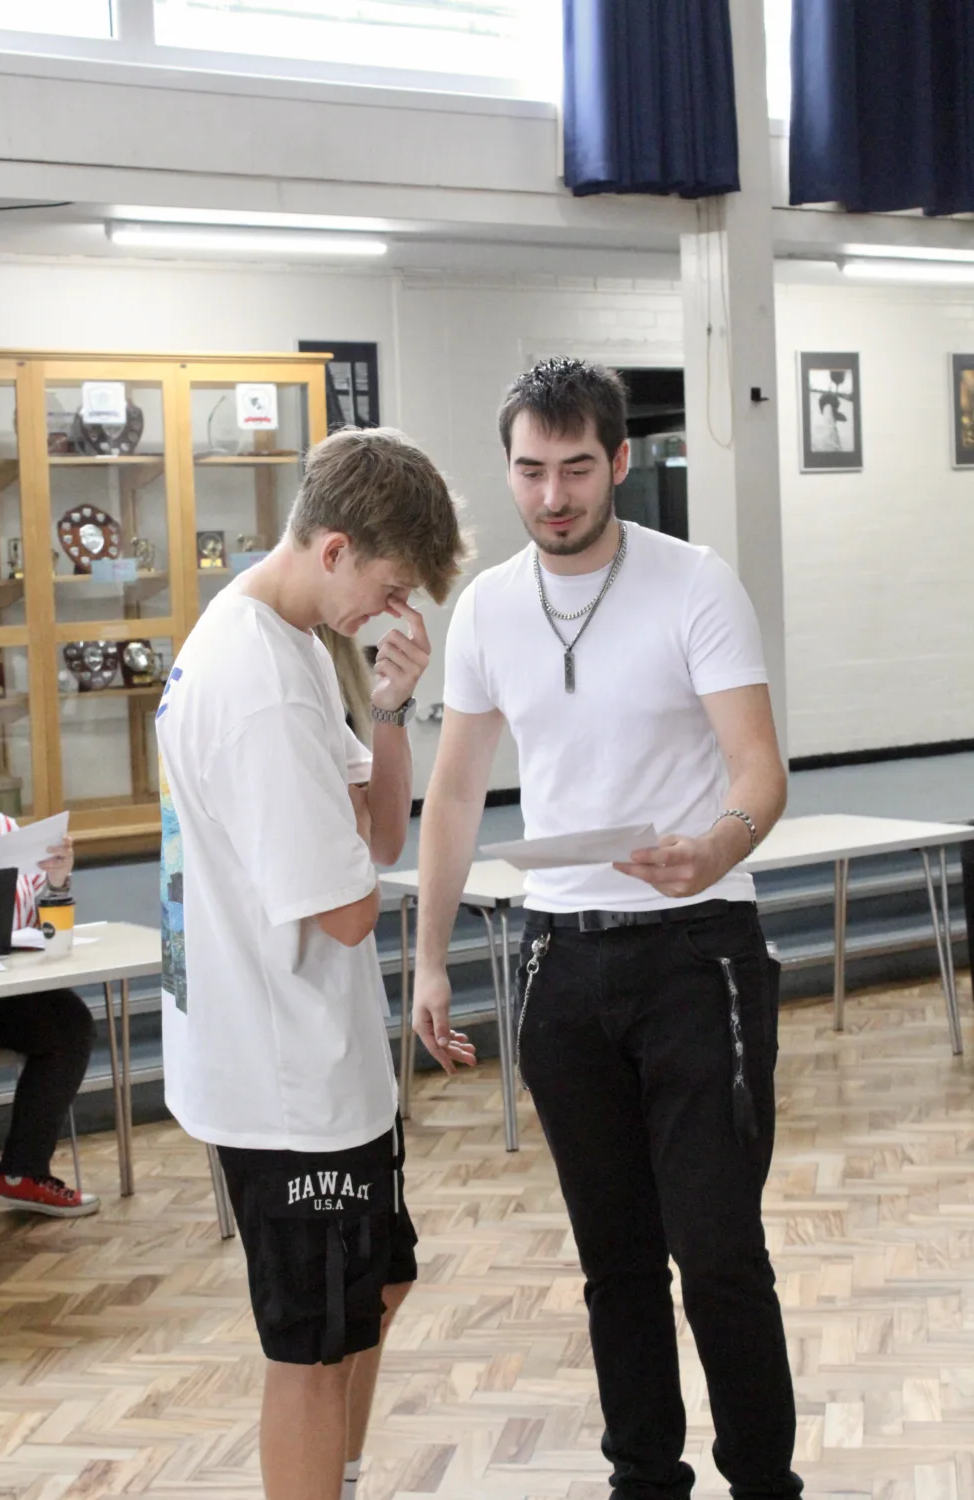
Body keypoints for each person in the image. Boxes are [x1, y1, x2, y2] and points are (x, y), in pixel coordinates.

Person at [413, 359, 802, 1500]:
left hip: (696, 954)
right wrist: (430, 958)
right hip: (560, 961)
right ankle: (645, 1479)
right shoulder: (485, 607)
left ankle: (763, 1484)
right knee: (614, 1263)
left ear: (620, 462)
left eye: (575, 468)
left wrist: (713, 848)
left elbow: (757, 772)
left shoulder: (694, 584)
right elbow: (450, 795)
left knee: (718, 1252)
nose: (552, 497)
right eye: (530, 471)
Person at [156, 426, 468, 1500]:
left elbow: (377, 836)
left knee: (375, 1288)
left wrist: (388, 707)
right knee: (311, 1348)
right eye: (385, 586)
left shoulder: (289, 641)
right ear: (334, 547)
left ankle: (337, 1477)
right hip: (285, 1079)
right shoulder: (260, 682)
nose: (390, 610)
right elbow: (341, 912)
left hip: (325, 1069)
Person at [0, 764, 97, 1217]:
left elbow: (39, 924)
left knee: (69, 1024)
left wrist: (58, 880)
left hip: (1, 979)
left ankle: (22, 1171)